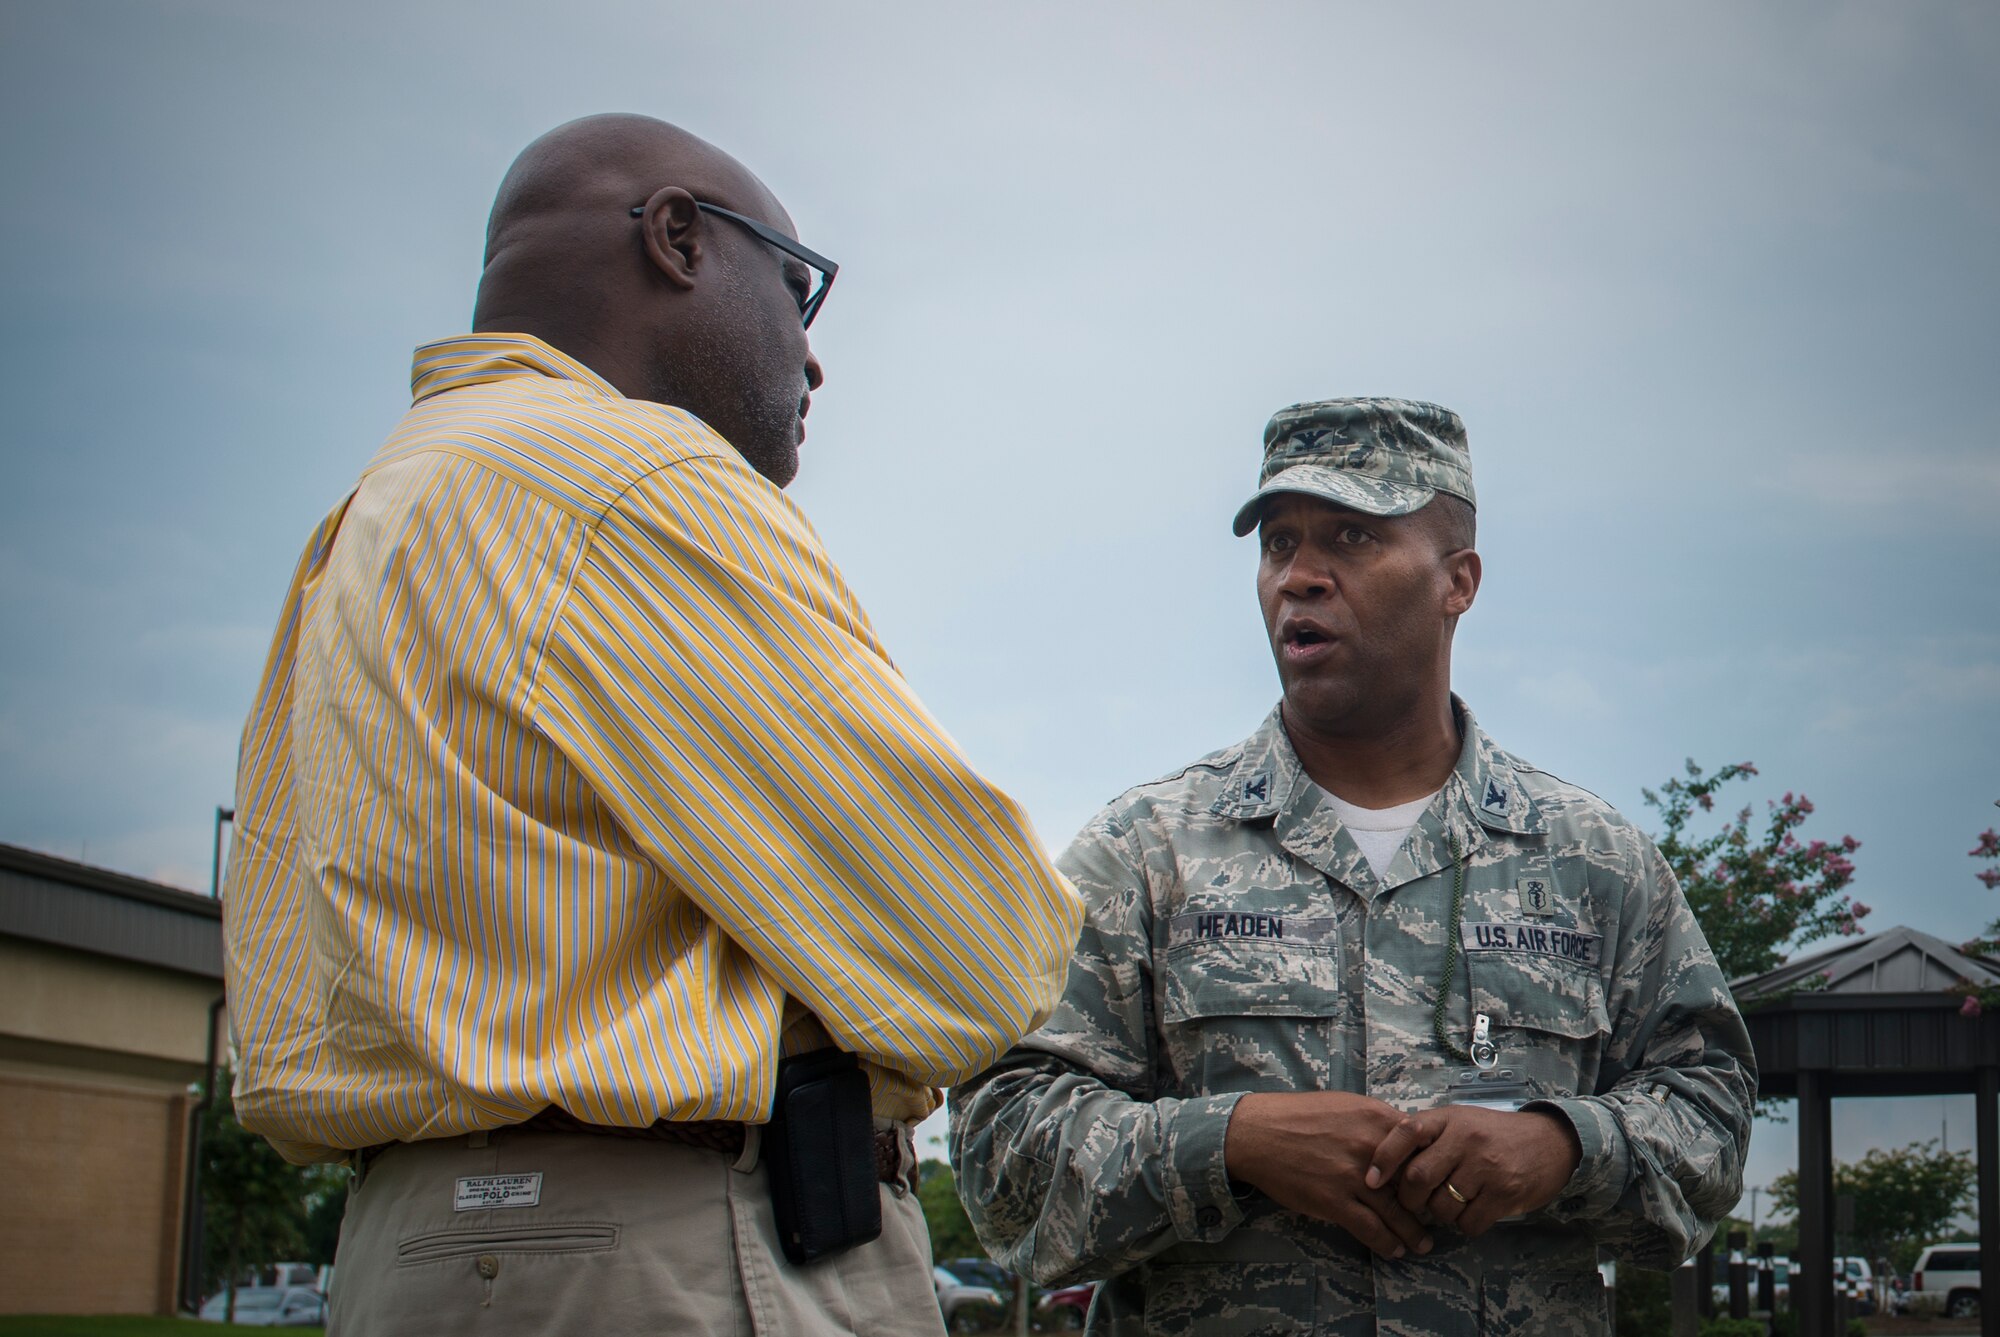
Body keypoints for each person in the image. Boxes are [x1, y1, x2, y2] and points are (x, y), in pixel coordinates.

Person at [221, 113, 1083, 1337]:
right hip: (663, 1250)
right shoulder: (624, 479)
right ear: (678, 237)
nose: (813, 357)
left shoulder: (369, 516)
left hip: (412, 1246)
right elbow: (978, 946)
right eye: (800, 290)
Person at [949, 398, 1754, 1335]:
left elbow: (1714, 1110)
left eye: (1353, 537)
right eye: (1278, 543)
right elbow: (1002, 1151)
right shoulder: (1145, 852)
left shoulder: (1592, 861)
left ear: (1459, 581)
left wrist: (1560, 1148)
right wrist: (1232, 1139)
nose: (1301, 577)